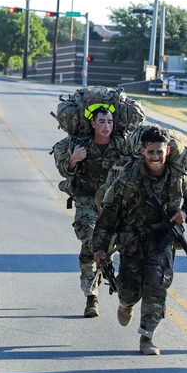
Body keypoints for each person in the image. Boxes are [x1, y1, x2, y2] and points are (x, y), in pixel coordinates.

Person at [92, 126, 187, 355]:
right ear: (142, 151)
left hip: (162, 241)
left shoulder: (180, 179)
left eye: (159, 152)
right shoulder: (128, 179)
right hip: (132, 240)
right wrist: (100, 248)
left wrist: (186, 213)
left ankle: (147, 337)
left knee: (156, 283)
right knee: (129, 290)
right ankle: (126, 302)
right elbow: (109, 214)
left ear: (168, 151)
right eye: (151, 152)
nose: (155, 157)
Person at [52, 105, 136, 317]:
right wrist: (74, 159)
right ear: (92, 124)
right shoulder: (78, 145)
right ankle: (92, 297)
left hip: (115, 202)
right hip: (87, 198)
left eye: (109, 122)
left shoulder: (123, 145)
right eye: (101, 122)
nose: (106, 126)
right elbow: (62, 168)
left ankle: (109, 275)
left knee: (115, 242)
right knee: (90, 238)